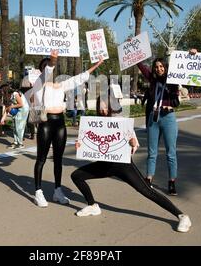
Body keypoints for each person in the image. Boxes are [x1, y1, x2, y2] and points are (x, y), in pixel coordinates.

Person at [70, 88, 191, 232]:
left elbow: (134, 144)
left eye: (105, 106)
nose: (102, 110)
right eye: (100, 107)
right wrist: (80, 145)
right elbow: (88, 145)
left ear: (110, 106)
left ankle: (182, 215)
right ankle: (92, 206)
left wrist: (133, 143)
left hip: (122, 165)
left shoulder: (120, 122)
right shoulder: (95, 124)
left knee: (147, 192)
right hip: (105, 164)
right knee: (76, 176)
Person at [27, 51, 103, 208]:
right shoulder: (39, 84)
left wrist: (96, 65)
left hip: (60, 123)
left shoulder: (60, 85)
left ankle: (57, 190)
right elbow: (49, 69)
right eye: (46, 66)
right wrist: (53, 59)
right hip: (46, 123)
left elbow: (79, 78)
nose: (50, 69)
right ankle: (38, 192)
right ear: (42, 70)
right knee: (41, 158)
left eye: (51, 66)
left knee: (58, 159)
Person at [138, 49, 198, 196]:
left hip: (168, 118)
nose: (158, 69)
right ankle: (148, 179)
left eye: (161, 66)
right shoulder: (152, 80)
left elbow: (176, 102)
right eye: (156, 67)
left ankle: (171, 182)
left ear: (165, 67)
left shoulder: (173, 80)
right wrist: (132, 47)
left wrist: (191, 55)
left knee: (171, 153)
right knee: (152, 152)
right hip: (154, 118)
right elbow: (140, 65)